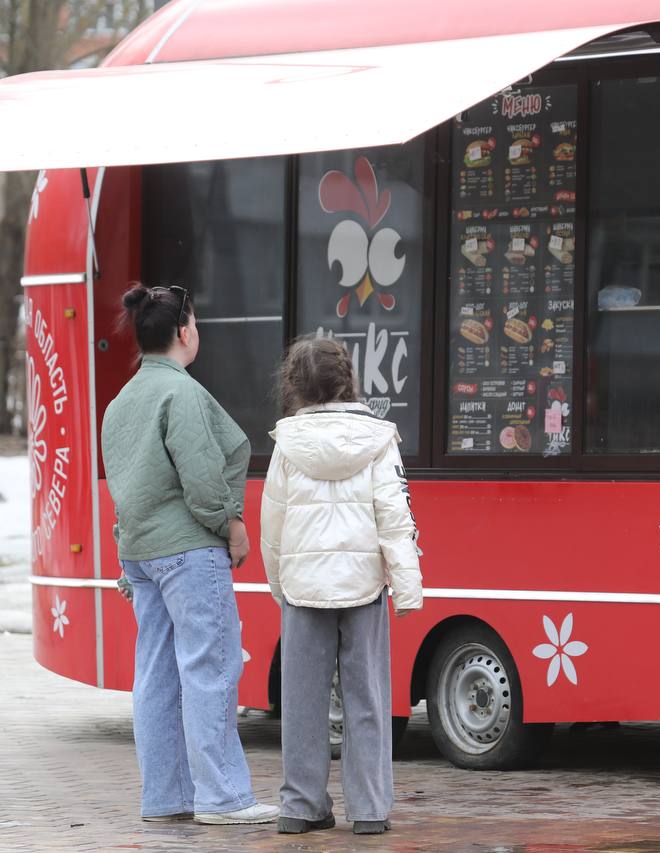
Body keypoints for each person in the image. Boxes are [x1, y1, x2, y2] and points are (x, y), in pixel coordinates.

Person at [100, 283, 278, 826]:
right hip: (189, 551)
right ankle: (223, 797)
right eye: (195, 323)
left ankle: (166, 796)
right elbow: (202, 477)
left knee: (155, 674)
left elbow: (125, 485)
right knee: (210, 669)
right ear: (183, 332)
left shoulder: (120, 402)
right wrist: (233, 524)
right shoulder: (183, 394)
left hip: (139, 553)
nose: (196, 331)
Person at [260, 337, 423, 836]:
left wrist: (278, 583)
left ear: (296, 386)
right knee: (367, 700)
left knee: (302, 703)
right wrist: (408, 585)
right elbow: (396, 517)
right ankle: (370, 809)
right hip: (363, 587)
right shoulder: (377, 438)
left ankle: (300, 807)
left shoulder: (286, 444)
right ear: (348, 380)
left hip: (304, 588)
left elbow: (273, 523)